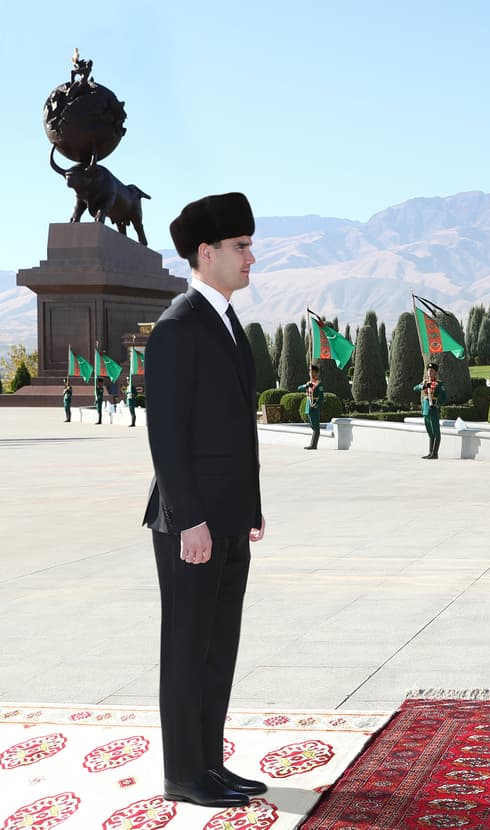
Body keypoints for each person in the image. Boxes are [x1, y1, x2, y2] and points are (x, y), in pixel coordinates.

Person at [142, 192, 267, 808]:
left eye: (249, 245)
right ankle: (182, 775)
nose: (251, 258)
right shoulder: (177, 327)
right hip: (190, 522)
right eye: (241, 247)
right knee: (187, 648)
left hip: (228, 519)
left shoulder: (225, 322)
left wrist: (252, 508)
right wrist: (189, 519)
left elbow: (238, 427)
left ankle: (210, 767)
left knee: (219, 648)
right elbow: (165, 435)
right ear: (206, 252)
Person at [413, 363, 446, 459]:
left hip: (433, 410)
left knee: (436, 432)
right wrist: (422, 386)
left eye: (431, 371)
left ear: (436, 373)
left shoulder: (439, 384)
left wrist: (437, 404)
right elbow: (415, 388)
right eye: (428, 371)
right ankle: (430, 452)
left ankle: (435, 453)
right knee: (430, 432)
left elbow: (444, 397)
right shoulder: (425, 382)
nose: (429, 372)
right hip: (426, 410)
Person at [299, 364, 324, 450]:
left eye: (313, 372)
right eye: (310, 372)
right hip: (308, 406)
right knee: (312, 425)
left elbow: (321, 397)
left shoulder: (319, 384)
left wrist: (316, 405)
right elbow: (299, 388)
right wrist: (306, 386)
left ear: (317, 373)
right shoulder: (309, 383)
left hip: (314, 407)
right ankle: (313, 444)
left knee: (315, 425)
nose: (311, 374)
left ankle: (313, 444)